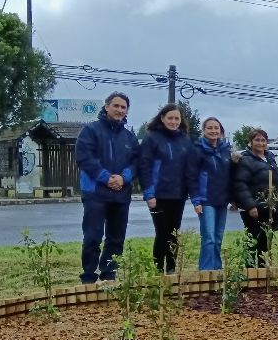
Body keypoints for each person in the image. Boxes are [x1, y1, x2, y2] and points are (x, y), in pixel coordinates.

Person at [73, 91, 139, 284]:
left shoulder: (129, 138)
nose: (119, 110)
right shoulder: (90, 131)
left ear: (127, 111)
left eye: (123, 107)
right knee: (92, 237)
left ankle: (109, 275)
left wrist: (124, 177)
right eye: (116, 106)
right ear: (106, 106)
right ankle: (88, 277)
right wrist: (106, 178)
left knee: (116, 238)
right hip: (95, 193)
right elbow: (85, 158)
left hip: (121, 194)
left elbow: (137, 163)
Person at [139, 103, 193, 274]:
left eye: (177, 118)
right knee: (161, 233)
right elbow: (144, 166)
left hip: (178, 195)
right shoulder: (152, 137)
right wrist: (149, 193)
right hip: (159, 195)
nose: (174, 121)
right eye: (170, 118)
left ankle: (171, 269)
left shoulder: (185, 139)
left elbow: (190, 167)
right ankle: (157, 271)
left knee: (173, 234)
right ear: (162, 118)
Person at [230, 128, 278, 267]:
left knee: (266, 242)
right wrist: (250, 205)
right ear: (250, 142)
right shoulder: (246, 160)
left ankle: (263, 272)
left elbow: (276, 180)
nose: (260, 143)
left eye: (263, 140)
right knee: (253, 241)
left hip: (269, 208)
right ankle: (249, 273)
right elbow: (241, 184)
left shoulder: (270, 158)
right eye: (257, 140)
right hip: (255, 209)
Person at [187, 117, 232, 271]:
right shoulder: (197, 150)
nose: (213, 131)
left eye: (216, 128)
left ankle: (217, 271)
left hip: (222, 201)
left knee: (218, 239)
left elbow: (230, 175)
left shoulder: (226, 150)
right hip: (206, 201)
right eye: (210, 128)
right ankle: (206, 272)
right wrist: (196, 201)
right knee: (209, 239)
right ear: (204, 130)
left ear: (220, 131)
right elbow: (191, 177)